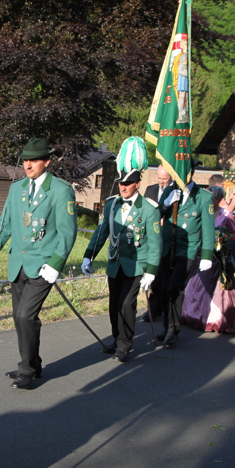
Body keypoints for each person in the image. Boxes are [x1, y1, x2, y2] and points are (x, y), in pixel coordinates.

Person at [0, 138, 77, 389]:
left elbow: (67, 233)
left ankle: (26, 370)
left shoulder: (60, 189)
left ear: (46, 161)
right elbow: (5, 223)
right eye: (25, 160)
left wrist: (56, 263)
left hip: (43, 265)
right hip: (18, 263)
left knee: (26, 315)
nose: (28, 164)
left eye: (33, 160)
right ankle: (33, 363)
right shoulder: (17, 188)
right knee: (19, 317)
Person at [82, 137, 161, 362]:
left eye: (128, 184)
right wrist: (89, 255)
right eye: (120, 184)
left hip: (137, 264)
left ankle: (125, 345)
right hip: (115, 263)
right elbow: (101, 232)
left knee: (127, 303)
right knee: (114, 303)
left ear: (137, 183)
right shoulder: (112, 204)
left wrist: (152, 271)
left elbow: (155, 243)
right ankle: (117, 339)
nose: (123, 187)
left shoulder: (149, 210)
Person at [158, 162, 216, 348]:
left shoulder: (203, 197)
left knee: (175, 288)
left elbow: (208, 228)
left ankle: (173, 329)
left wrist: (207, 255)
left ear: (191, 173)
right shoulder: (169, 191)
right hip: (167, 246)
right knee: (164, 287)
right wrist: (165, 204)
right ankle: (167, 325)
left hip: (187, 249)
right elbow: (156, 214)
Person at [180, 185, 235, 333]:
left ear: (219, 199)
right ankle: (192, 315)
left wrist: (221, 238)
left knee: (216, 287)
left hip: (218, 257)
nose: (209, 201)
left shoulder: (226, 214)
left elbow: (234, 235)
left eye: (213, 198)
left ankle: (212, 318)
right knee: (194, 284)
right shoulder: (201, 212)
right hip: (200, 253)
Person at [142, 166, 175, 328]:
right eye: (159, 178)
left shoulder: (175, 191)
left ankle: (163, 308)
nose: (161, 181)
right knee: (154, 273)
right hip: (152, 237)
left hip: (168, 238)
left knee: (165, 277)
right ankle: (153, 309)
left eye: (165, 178)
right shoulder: (151, 189)